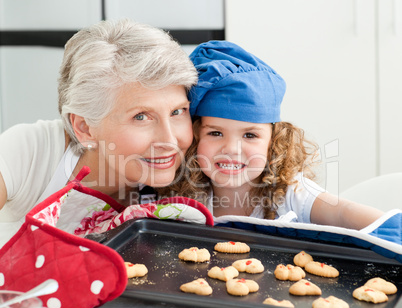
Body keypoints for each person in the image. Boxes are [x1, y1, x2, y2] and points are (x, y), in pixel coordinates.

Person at [162, 40, 384, 230]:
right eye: (216, 133)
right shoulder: (184, 196)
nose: (231, 148)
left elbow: (342, 213)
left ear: (274, 142)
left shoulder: (292, 194)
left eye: (249, 135)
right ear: (196, 137)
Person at [0, 19, 198, 228]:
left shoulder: (194, 170)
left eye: (177, 111)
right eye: (140, 116)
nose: (169, 141)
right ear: (84, 128)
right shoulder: (28, 152)